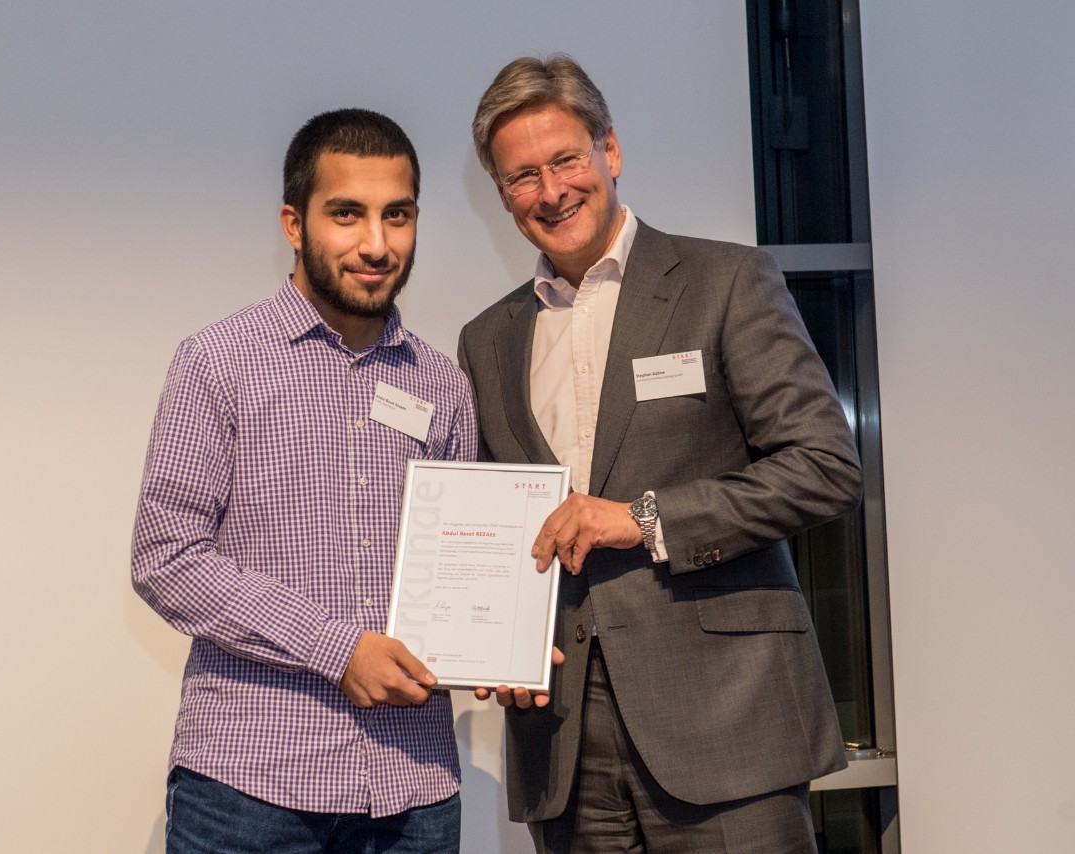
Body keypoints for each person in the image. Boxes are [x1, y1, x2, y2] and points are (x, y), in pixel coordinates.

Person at [457, 55, 862, 852]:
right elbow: (499, 529)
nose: (550, 191)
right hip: (562, 738)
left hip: (728, 719)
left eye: (566, 159)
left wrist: (642, 519)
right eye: (522, 176)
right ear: (501, 196)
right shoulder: (486, 340)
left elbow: (824, 468)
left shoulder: (725, 280)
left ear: (609, 150)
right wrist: (493, 638)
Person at [132, 108, 475, 854]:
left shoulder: (444, 385)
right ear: (294, 223)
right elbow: (166, 558)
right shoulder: (218, 361)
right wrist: (336, 648)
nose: (376, 244)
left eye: (397, 215)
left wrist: (499, 643)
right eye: (346, 214)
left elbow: (464, 566)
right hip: (250, 790)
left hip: (414, 789)